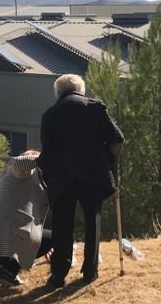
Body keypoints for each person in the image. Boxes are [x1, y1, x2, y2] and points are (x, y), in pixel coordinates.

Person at [38, 73, 124, 288]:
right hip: (93, 174)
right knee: (92, 222)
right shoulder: (95, 107)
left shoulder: (50, 115)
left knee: (61, 226)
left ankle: (59, 273)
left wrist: (45, 174)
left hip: (61, 177)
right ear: (81, 90)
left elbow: (47, 152)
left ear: (58, 92)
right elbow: (117, 138)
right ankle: (89, 271)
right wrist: (108, 161)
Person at [0, 150, 52, 287]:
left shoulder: (14, 177)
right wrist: (44, 158)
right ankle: (8, 270)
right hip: (1, 228)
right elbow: (18, 162)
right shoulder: (22, 171)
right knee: (51, 238)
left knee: (15, 231)